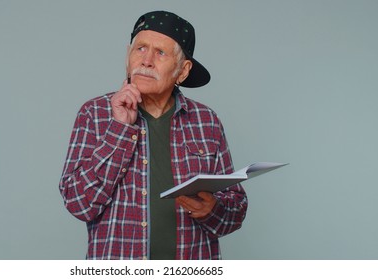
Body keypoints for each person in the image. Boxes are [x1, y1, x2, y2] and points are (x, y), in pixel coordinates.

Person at [59, 10, 248, 260]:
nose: (146, 61)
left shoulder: (207, 121)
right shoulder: (94, 114)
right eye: (140, 49)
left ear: (183, 70)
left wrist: (213, 210)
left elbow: (235, 211)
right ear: (128, 56)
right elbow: (79, 203)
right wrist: (120, 130)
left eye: (160, 53)